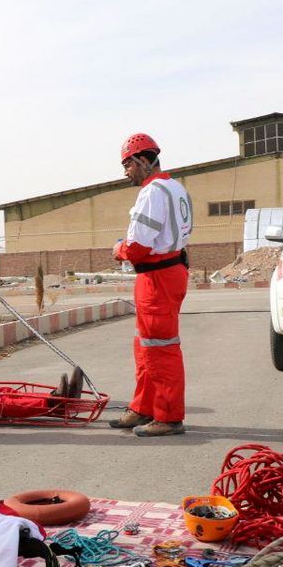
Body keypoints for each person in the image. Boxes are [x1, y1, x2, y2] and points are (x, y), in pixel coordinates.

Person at [109, 133, 192, 437]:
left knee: (160, 349)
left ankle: (168, 417)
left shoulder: (152, 192)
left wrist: (119, 249)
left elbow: (138, 247)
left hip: (157, 276)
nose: (126, 171)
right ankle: (143, 407)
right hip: (166, 272)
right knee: (145, 345)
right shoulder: (175, 187)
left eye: (128, 164)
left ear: (143, 161)